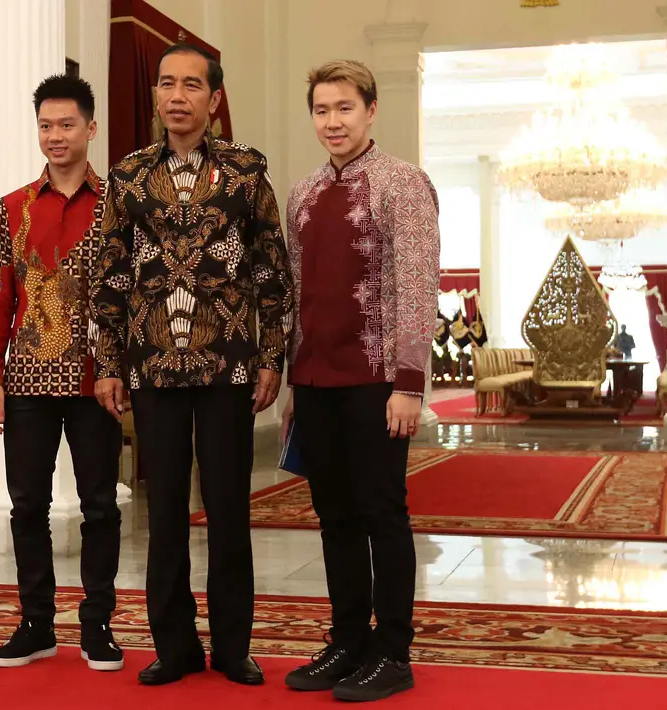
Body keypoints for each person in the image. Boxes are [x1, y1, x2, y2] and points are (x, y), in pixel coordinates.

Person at [88, 43, 293, 687]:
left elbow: (271, 270)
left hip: (229, 365)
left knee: (230, 507)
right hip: (152, 365)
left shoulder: (244, 172)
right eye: (166, 84)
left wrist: (270, 356)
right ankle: (174, 646)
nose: (177, 96)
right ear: (155, 96)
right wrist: (109, 362)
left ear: (214, 98)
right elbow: (111, 274)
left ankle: (234, 646)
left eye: (191, 86)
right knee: (165, 511)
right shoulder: (128, 176)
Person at [280, 60, 440, 702]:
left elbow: (417, 284)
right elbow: (295, 293)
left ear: (371, 110)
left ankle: (392, 651)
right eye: (321, 109)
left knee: (381, 511)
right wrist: (295, 382)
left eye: (344, 107)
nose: (332, 121)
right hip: (316, 379)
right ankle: (347, 641)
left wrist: (409, 383)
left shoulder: (404, 183)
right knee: (332, 515)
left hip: (377, 380)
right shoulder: (302, 193)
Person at [0, 74, 124, 672]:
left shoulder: (119, 205)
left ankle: (99, 626)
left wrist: (118, 370)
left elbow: (128, 296)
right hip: (28, 382)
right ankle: (36, 624)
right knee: (26, 506)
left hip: (96, 383)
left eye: (67, 125)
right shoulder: (12, 208)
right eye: (45, 125)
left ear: (91, 128)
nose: (55, 136)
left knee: (100, 508)